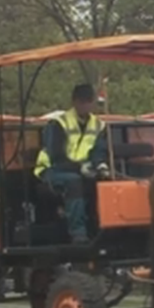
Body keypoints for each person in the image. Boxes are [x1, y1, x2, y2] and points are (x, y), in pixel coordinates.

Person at [33, 83, 110, 245]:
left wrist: (100, 165)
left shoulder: (98, 125)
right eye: (82, 102)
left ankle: (102, 228)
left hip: (81, 170)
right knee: (74, 182)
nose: (85, 106)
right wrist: (79, 168)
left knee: (104, 182)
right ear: (74, 102)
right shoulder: (58, 124)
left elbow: (99, 150)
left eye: (89, 102)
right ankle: (78, 233)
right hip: (51, 171)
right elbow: (56, 156)